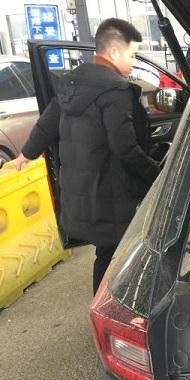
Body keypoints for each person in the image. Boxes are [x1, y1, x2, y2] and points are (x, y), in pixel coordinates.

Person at [15, 18, 160, 294]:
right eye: (132, 55)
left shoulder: (72, 81)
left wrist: (26, 153)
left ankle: (107, 304)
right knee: (113, 257)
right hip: (108, 191)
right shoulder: (115, 90)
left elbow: (48, 122)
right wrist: (158, 175)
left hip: (82, 190)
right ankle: (107, 310)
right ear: (114, 52)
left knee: (107, 252)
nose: (133, 63)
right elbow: (124, 148)